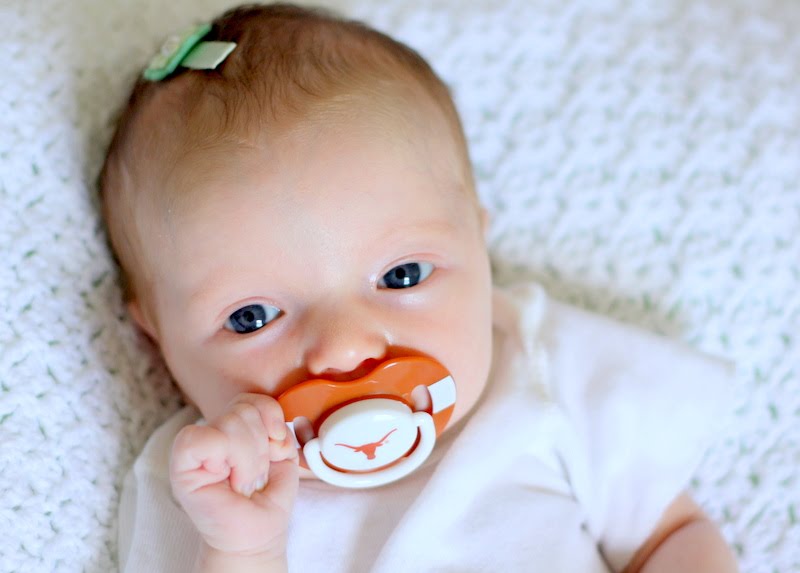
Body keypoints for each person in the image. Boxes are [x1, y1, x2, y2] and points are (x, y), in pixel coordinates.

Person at [100, 4, 738, 572]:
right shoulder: (206, 486)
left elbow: (670, 536)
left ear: (478, 245)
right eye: (253, 317)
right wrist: (243, 550)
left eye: (401, 276)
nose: (345, 349)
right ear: (156, 335)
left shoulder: (541, 367)